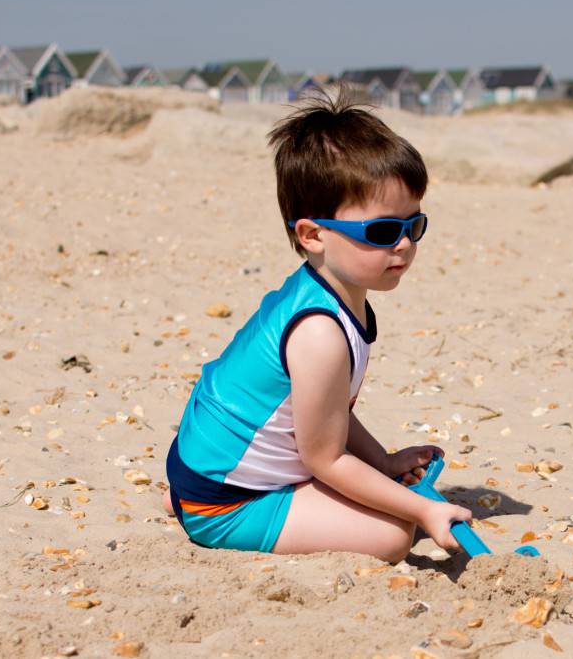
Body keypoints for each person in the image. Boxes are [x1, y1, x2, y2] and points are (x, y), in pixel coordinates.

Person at [165, 91, 472, 563]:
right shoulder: (319, 332)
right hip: (227, 500)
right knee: (394, 535)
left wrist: (384, 463)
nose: (405, 244)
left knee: (380, 502)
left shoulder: (331, 295)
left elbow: (330, 414)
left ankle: (188, 498)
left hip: (207, 465)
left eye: (415, 224)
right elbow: (325, 459)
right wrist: (421, 510)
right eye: (383, 231)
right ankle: (198, 511)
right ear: (312, 235)